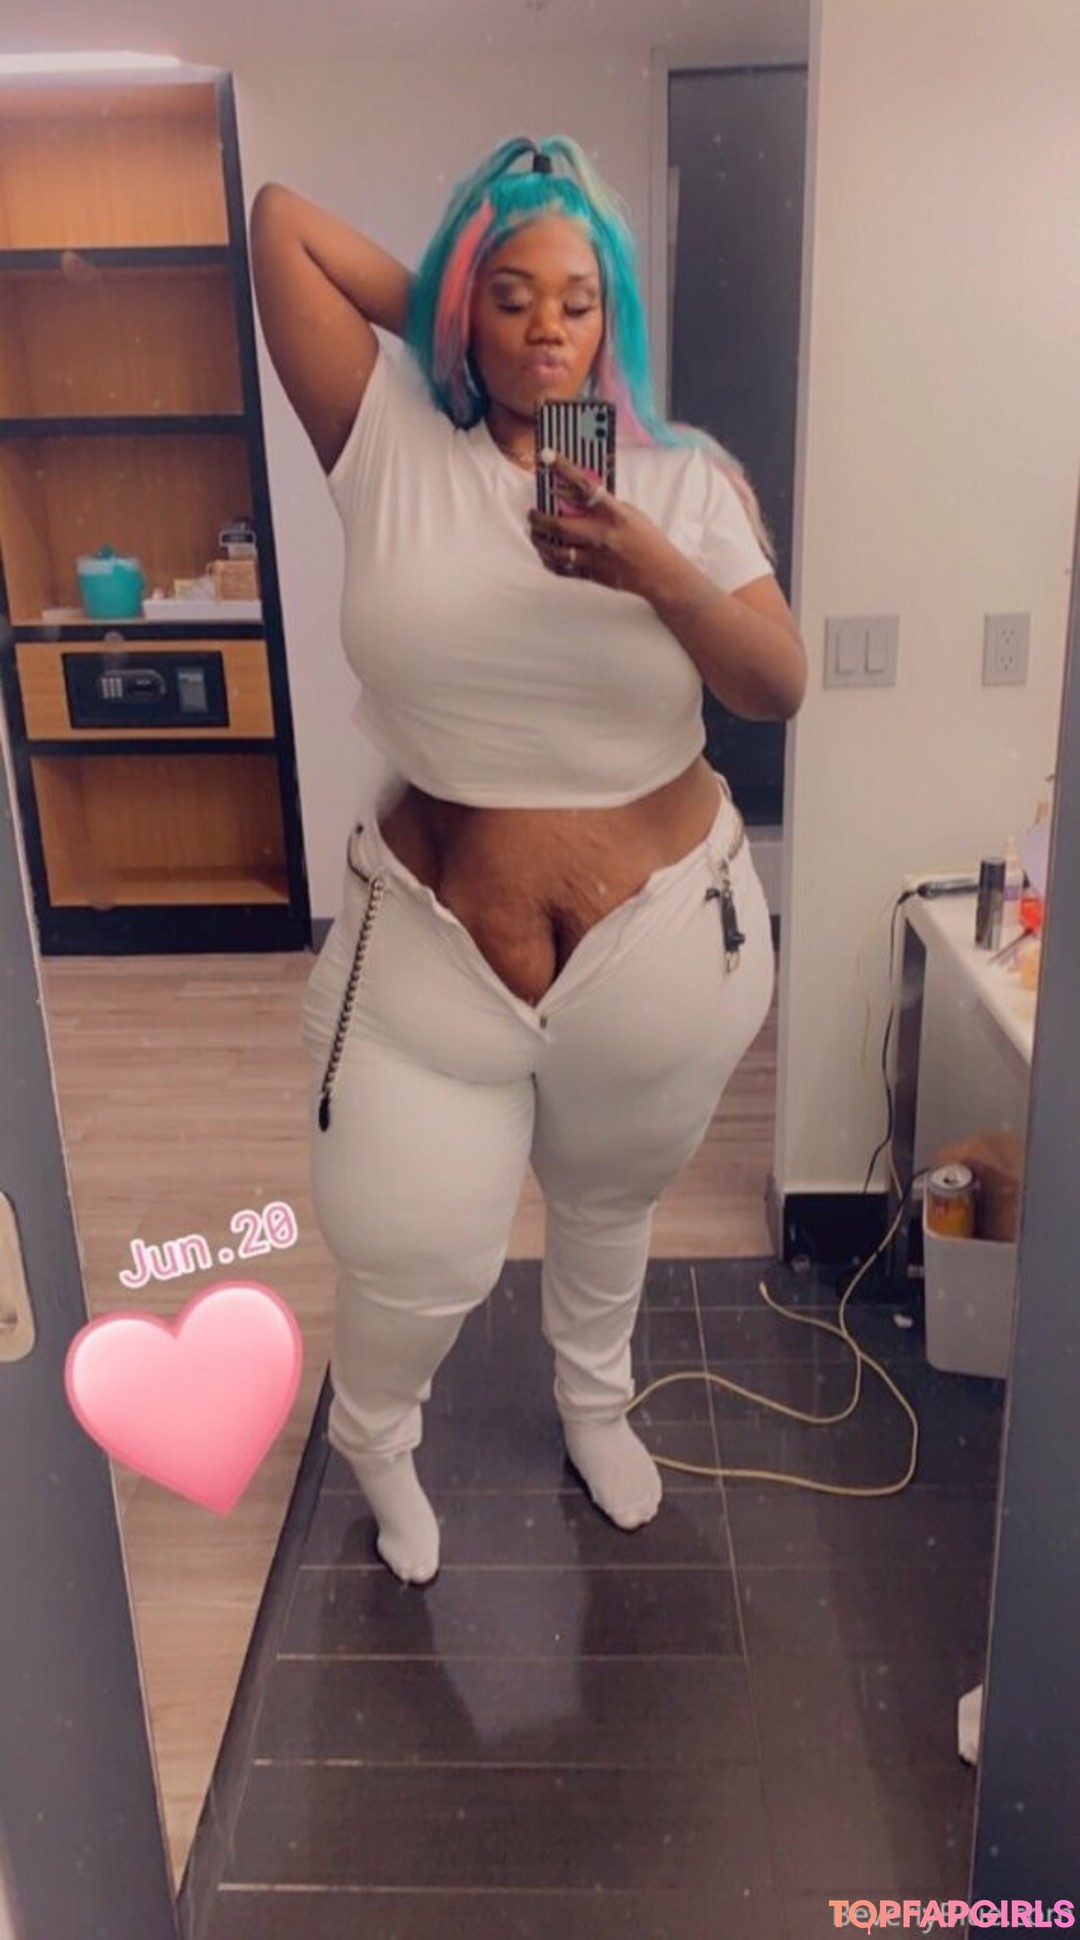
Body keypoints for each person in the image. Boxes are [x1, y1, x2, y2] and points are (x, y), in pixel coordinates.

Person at [250, 135, 807, 1587]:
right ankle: (378, 1438)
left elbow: (777, 684)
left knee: (610, 1211)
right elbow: (282, 221)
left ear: (615, 316)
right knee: (409, 1248)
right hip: (435, 953)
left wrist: (652, 569)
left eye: (578, 298)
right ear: (463, 310)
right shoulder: (390, 439)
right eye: (509, 296)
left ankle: (595, 1408)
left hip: (661, 948)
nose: (548, 326)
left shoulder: (683, 482)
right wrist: (447, 308)